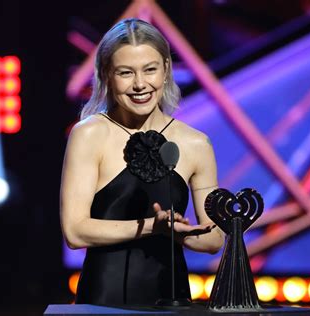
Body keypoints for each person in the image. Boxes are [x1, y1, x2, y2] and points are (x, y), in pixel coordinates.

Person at [60, 18, 224, 306]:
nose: (139, 84)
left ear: (166, 69)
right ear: (106, 75)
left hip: (171, 302)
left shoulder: (196, 143)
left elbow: (213, 240)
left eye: (150, 70)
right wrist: (152, 226)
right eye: (125, 72)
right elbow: (75, 231)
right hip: (103, 302)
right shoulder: (89, 135)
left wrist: (178, 233)